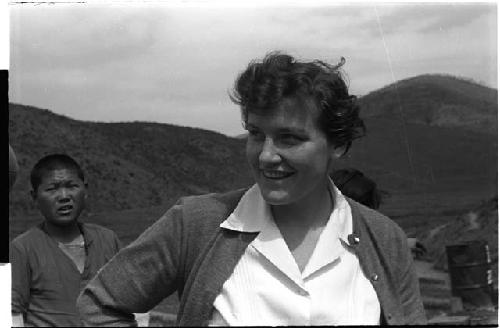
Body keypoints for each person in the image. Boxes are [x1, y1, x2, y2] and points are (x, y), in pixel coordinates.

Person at [77, 52, 426, 326]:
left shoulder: (384, 239)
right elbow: (98, 306)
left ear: (338, 145)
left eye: (289, 138)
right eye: (256, 134)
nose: (266, 155)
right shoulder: (196, 225)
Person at [10, 154, 122, 327]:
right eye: (52, 189)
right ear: (34, 197)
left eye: (72, 186)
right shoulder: (21, 249)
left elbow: (130, 299)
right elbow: (12, 314)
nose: (64, 196)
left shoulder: (108, 240)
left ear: (85, 190)